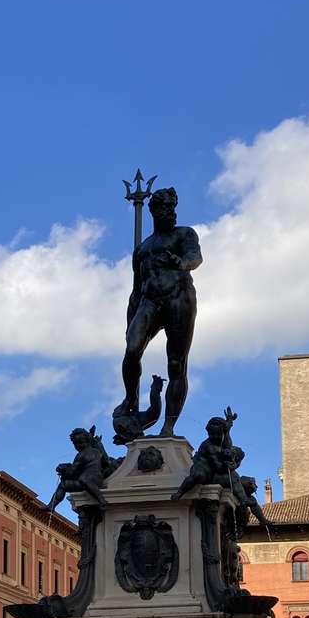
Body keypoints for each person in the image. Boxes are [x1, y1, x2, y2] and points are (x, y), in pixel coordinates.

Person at [120, 186, 203, 437]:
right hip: (149, 300)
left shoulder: (185, 234)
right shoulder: (142, 249)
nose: (170, 212)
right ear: (154, 211)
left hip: (179, 297)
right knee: (132, 349)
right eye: (164, 208)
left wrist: (182, 263)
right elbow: (136, 289)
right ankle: (130, 398)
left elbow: (195, 257)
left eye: (172, 208)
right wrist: (130, 319)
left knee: (176, 364)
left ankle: (168, 427)